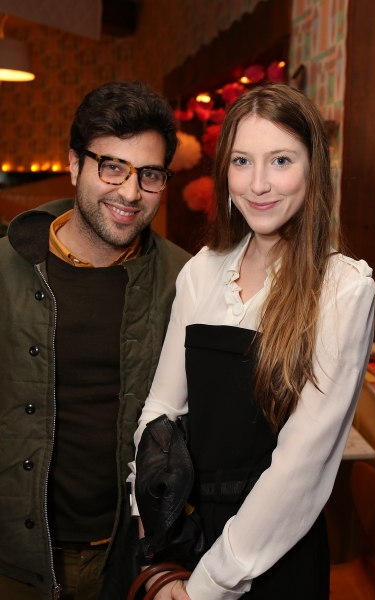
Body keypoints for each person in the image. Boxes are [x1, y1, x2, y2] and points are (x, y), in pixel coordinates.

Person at [130, 83, 375, 600]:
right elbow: (161, 412)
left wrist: (208, 586)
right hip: (186, 535)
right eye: (242, 161)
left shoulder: (343, 288)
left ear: (314, 169)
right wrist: (153, 526)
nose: (258, 184)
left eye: (281, 160)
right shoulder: (203, 270)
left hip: (272, 553)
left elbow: (299, 469)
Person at [0, 80, 190, 600]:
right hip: (14, 561)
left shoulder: (187, 281)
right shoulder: (6, 269)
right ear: (74, 163)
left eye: (149, 174)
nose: (130, 193)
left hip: (129, 556)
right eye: (112, 167)